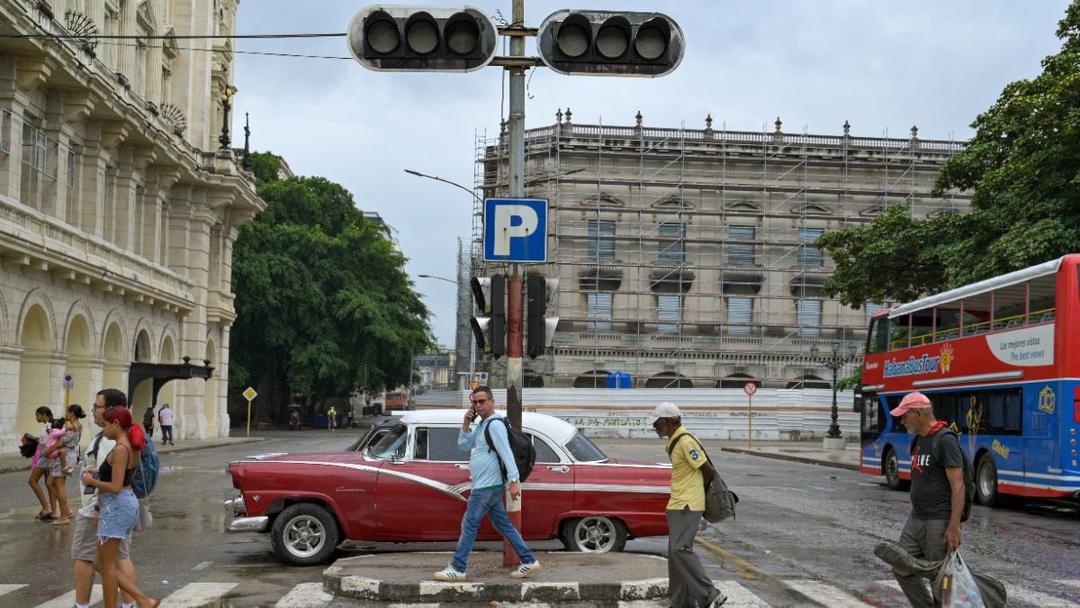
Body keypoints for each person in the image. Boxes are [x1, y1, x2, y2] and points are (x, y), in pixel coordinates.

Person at [434, 386, 540, 581]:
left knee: (469, 524)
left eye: (482, 401)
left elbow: (506, 453)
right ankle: (529, 560)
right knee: (505, 526)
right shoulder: (483, 425)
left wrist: (514, 481)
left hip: (485, 487)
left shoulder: (495, 425)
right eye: (475, 402)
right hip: (487, 486)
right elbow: (464, 444)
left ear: (492, 402)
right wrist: (466, 422)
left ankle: (458, 568)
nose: (478, 405)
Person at [890, 391, 966, 608]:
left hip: (938, 521)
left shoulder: (945, 440)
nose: (902, 420)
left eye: (905, 415)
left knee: (940, 580)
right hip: (916, 518)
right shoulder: (919, 440)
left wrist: (953, 526)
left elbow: (958, 486)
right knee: (900, 566)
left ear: (918, 413)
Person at [81, 404, 159, 608]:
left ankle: (136, 602)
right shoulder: (129, 445)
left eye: (106, 425)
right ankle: (143, 600)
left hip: (116, 506)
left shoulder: (121, 449)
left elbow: (115, 486)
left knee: (107, 567)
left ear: (116, 424)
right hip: (122, 504)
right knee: (101, 563)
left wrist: (91, 482)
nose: (103, 429)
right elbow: (120, 479)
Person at [650, 402, 726, 608]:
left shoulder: (685, 441)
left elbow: (708, 471)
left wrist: (695, 494)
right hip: (677, 504)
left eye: (657, 422)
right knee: (675, 557)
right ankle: (680, 602)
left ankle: (709, 594)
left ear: (667, 421)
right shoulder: (675, 440)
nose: (655, 426)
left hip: (687, 505)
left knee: (680, 550)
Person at [72, 389, 140, 608]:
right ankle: (133, 603)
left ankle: (82, 605)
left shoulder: (114, 443)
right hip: (115, 506)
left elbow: (114, 484)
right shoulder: (114, 437)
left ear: (113, 414)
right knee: (116, 559)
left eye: (97, 406)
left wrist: (97, 506)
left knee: (87, 557)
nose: (92, 409)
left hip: (105, 507)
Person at [41, 404, 86, 526]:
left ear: (72, 413)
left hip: (64, 455)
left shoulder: (71, 426)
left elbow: (60, 442)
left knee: (59, 485)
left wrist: (47, 452)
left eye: (67, 411)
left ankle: (64, 516)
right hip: (65, 454)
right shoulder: (77, 425)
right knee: (50, 483)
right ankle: (66, 509)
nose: (65, 413)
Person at [28, 406, 58, 520]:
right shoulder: (48, 425)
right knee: (48, 483)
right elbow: (46, 441)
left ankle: (46, 508)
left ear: (44, 414)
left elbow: (53, 442)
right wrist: (35, 439)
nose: (36, 418)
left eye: (37, 415)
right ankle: (53, 511)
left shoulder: (51, 425)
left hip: (46, 457)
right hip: (48, 457)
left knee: (32, 481)